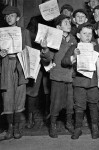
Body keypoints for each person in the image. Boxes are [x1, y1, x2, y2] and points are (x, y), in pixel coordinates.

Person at [61, 22, 99, 139]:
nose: (88, 36)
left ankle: (94, 127)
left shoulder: (95, 46)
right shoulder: (74, 47)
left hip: (93, 82)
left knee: (93, 104)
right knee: (79, 106)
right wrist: (74, 57)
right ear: (79, 35)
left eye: (90, 33)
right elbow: (64, 61)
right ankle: (78, 128)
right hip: (79, 81)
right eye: (84, 33)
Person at [40, 14, 77, 138]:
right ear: (58, 27)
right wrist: (45, 49)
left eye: (69, 22)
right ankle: (53, 124)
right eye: (65, 22)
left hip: (70, 76)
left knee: (70, 102)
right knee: (55, 103)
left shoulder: (74, 39)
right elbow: (48, 58)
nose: (69, 24)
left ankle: (69, 122)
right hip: (57, 75)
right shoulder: (54, 39)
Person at [0, 5, 31, 140]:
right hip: (7, 65)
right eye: (6, 16)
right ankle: (9, 128)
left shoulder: (24, 32)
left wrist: (23, 54)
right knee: (7, 97)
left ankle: (17, 127)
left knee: (19, 97)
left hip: (20, 66)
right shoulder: (1, 32)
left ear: (17, 18)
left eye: (11, 15)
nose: (8, 18)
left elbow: (29, 52)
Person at [26, 0, 53, 128]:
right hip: (36, 57)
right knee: (33, 88)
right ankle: (29, 117)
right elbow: (28, 36)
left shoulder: (57, 20)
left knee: (49, 88)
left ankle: (48, 114)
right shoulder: (35, 19)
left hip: (50, 58)